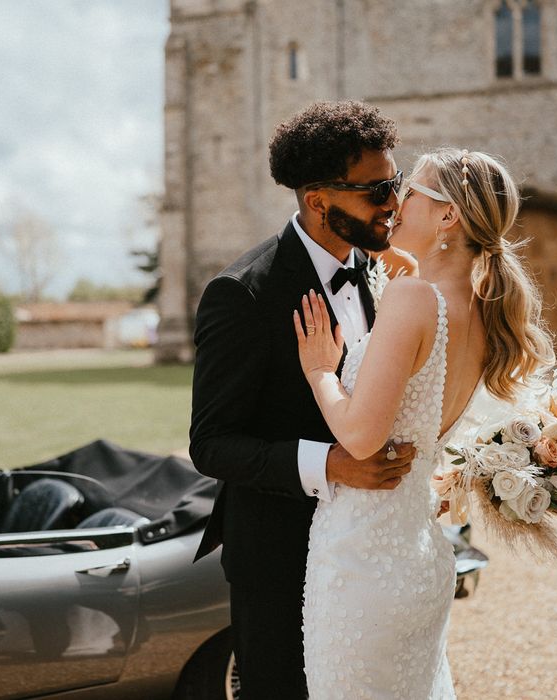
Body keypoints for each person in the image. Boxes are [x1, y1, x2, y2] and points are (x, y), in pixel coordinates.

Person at [294, 147, 556, 698]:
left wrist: (321, 372)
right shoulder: (481, 308)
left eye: (411, 190)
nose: (396, 202)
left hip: (362, 560)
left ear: (447, 216)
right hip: (417, 556)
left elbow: (362, 438)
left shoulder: (413, 299)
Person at [189, 100, 418, 698]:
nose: (393, 203)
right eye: (376, 191)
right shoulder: (242, 293)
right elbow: (212, 445)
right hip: (278, 553)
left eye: (394, 184)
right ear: (319, 201)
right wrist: (330, 465)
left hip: (368, 543)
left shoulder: (381, 271)